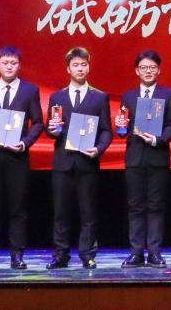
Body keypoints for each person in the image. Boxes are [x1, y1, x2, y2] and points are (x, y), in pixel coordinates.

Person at [0, 46, 45, 270]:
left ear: (19, 66)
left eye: (13, 63)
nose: (9, 66)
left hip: (17, 157)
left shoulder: (30, 90)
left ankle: (17, 255)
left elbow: (38, 123)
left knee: (17, 208)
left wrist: (25, 143)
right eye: (5, 63)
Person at [44, 46, 113, 269]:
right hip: (63, 162)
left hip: (88, 162)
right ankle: (60, 255)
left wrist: (99, 149)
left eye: (83, 64)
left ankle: (87, 254)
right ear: (68, 69)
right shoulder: (57, 97)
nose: (80, 68)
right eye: (75, 65)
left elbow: (107, 131)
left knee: (88, 211)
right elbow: (50, 129)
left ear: (89, 67)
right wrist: (52, 130)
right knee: (61, 212)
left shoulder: (99, 97)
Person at [119, 50, 171, 268]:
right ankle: (136, 252)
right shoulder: (128, 96)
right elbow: (123, 128)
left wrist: (158, 139)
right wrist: (122, 126)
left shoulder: (168, 94)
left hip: (158, 156)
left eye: (152, 67)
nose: (148, 71)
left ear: (159, 70)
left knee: (156, 205)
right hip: (134, 157)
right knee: (135, 206)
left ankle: (154, 252)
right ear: (137, 71)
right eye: (144, 67)